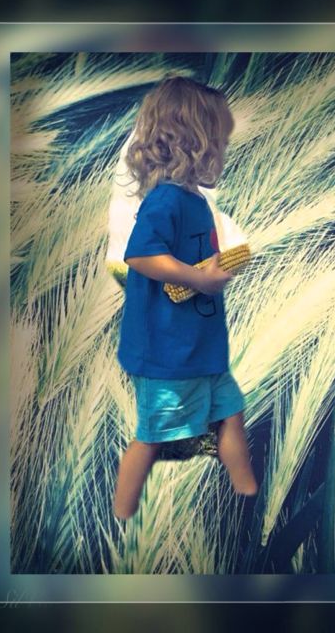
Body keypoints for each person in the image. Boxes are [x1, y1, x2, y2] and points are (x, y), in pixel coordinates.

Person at [113, 75, 258, 520]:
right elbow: (140, 255)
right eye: (220, 140)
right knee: (151, 439)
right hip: (168, 356)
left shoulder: (194, 201)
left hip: (201, 350)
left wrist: (218, 266)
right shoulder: (166, 201)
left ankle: (248, 496)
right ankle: (122, 514)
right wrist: (198, 279)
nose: (224, 149)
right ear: (196, 144)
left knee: (231, 415)